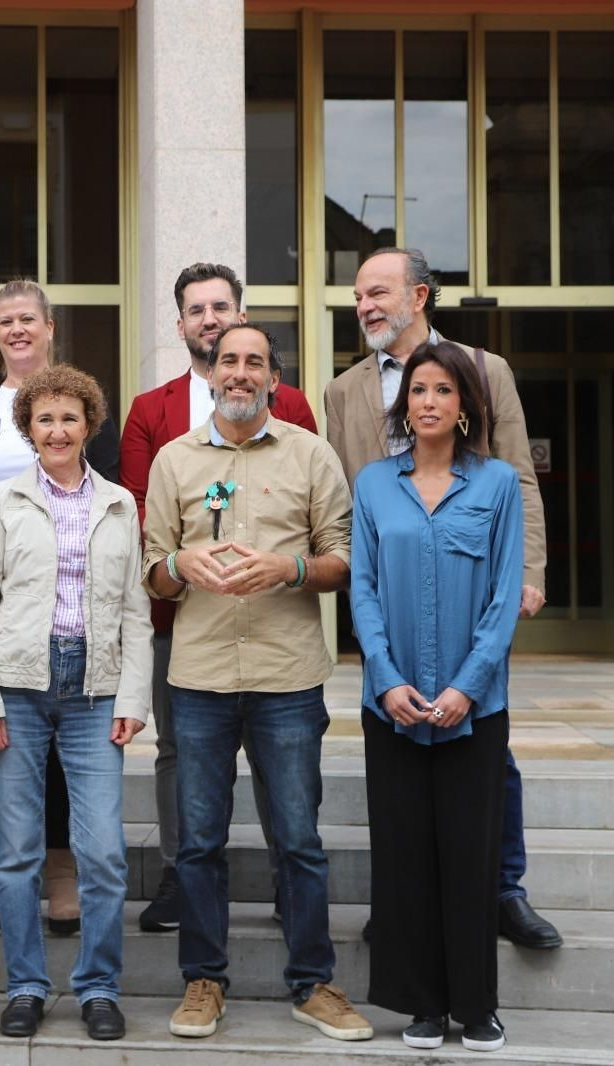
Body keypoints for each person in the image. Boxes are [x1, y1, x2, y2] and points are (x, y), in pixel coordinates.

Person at [321, 246, 561, 951]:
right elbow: (347, 500)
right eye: (358, 295)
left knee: (487, 747)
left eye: (377, 292)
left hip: (469, 584)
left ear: (419, 296)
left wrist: (532, 568)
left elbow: (517, 476)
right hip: (391, 594)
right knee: (396, 749)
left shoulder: (484, 371)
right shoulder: (342, 392)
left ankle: (502, 890)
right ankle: (404, 898)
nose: (364, 305)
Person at [141, 323, 371, 1043]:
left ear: (275, 378)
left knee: (299, 840)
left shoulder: (311, 454)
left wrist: (289, 569)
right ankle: (203, 982)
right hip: (201, 677)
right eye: (228, 360)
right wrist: (181, 567)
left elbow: (343, 558)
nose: (239, 372)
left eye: (255, 363)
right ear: (210, 374)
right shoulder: (175, 460)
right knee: (200, 842)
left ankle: (314, 984)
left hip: (287, 675)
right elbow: (150, 570)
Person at [120, 261, 318, 934]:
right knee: (179, 751)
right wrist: (182, 563)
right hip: (186, 617)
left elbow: (313, 508)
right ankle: (180, 876)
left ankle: (288, 882)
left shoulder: (286, 404)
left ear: (240, 315)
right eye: (196, 310)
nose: (209, 318)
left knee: (276, 753)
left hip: (274, 624)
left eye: (221, 307)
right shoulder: (152, 411)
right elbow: (142, 508)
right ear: (180, 325)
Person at [0, 365, 153, 1043]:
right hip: (16, 689)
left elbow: (136, 612)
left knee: (102, 853)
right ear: (28, 428)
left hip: (94, 694)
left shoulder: (119, 504)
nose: (58, 429)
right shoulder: (2, 501)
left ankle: (99, 986)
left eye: (70, 417)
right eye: (45, 419)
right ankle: (27, 986)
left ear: (89, 425)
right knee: (18, 853)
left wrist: (133, 696)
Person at [350, 340, 523, 1053]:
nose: (428, 402)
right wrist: (387, 680)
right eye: (417, 390)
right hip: (389, 706)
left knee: (469, 852)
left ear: (464, 408)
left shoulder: (498, 484)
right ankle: (421, 1004)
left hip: (472, 710)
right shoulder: (371, 484)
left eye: (442, 392)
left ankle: (476, 1006)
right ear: (404, 405)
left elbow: (505, 597)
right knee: (405, 856)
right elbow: (361, 589)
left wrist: (464, 688)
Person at [0, 278, 120, 935]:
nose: (17, 329)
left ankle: (63, 871)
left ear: (50, 327)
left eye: (28, 318)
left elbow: (109, 494)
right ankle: (23, 876)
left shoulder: (83, 402)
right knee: (17, 742)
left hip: (73, 602)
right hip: (1, 601)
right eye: (5, 321)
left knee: (61, 748)